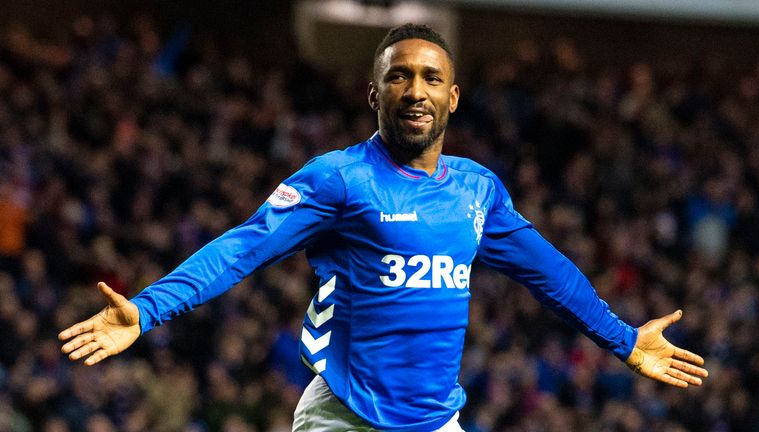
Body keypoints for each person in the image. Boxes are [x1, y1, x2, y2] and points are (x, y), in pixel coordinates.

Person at [59, 24, 708, 431]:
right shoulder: (338, 179)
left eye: (431, 77)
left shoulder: (478, 190)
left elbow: (550, 274)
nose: (414, 89)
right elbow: (244, 247)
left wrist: (623, 338)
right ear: (375, 94)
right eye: (398, 76)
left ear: (453, 97)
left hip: (434, 422)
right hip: (344, 417)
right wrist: (147, 309)